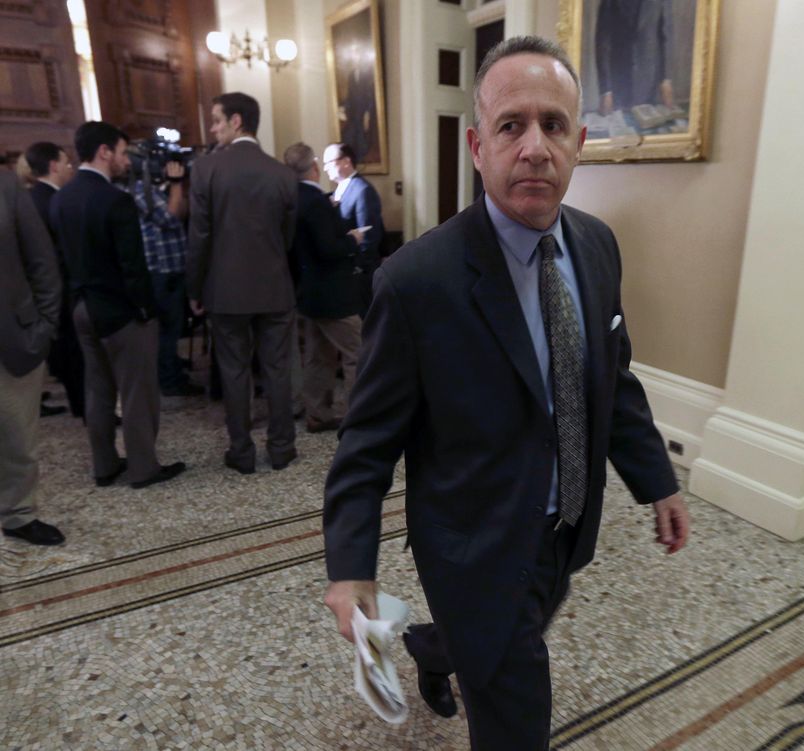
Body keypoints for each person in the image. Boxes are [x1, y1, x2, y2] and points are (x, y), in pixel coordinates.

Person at [322, 36, 689, 751]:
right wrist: (352, 568)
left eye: (553, 125)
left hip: (563, 529)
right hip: (475, 543)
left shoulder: (597, 245)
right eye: (511, 125)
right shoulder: (417, 282)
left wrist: (657, 481)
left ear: (579, 142)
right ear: (477, 144)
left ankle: (439, 647)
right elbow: (366, 443)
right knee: (515, 715)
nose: (534, 147)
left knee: (489, 639)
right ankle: (464, 645)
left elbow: (614, 376)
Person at [52, 121, 186, 489]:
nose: (126, 160)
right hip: (120, 311)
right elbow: (133, 265)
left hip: (81, 307)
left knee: (97, 389)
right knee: (137, 392)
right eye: (123, 152)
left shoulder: (60, 197)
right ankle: (144, 469)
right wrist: (146, 309)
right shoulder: (115, 199)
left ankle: (105, 466)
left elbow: (61, 260)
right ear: (104, 152)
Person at [187, 92, 299, 474]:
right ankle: (282, 448)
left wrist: (194, 288)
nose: (213, 128)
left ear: (237, 122)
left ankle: (242, 451)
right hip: (274, 287)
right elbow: (288, 237)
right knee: (278, 370)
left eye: (216, 120)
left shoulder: (205, 169)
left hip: (225, 290)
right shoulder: (283, 173)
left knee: (234, 372)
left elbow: (199, 236)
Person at [0, 170, 65, 546]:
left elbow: (42, 260)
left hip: (12, 334)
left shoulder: (7, 186)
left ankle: (18, 513)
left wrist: (44, 325)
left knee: (16, 435)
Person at [284, 142, 364, 434]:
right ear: (314, 167)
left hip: (308, 292)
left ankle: (318, 413)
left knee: (319, 355)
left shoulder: (291, 197)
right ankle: (360, 418)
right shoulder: (316, 201)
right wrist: (352, 239)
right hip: (332, 294)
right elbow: (329, 248)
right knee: (361, 350)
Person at [129, 160, 204, 397]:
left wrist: (177, 187)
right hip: (159, 270)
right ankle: (169, 380)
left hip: (172, 267)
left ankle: (171, 368)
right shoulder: (138, 190)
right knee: (165, 330)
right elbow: (170, 218)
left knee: (172, 327)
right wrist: (176, 183)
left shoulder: (156, 190)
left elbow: (181, 213)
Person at [24, 141, 85, 419]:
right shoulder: (49, 201)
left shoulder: (35, 197)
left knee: (67, 349)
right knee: (73, 350)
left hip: (49, 288)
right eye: (66, 162)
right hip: (59, 287)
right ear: (53, 165)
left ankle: (80, 401)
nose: (70, 167)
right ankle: (83, 405)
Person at [322, 142, 384, 314]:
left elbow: (369, 235)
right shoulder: (338, 190)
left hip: (359, 273)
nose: (325, 168)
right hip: (344, 272)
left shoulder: (362, 190)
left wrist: (358, 268)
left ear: (346, 161)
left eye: (329, 162)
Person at [595, 0, 677, 116]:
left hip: (650, 83)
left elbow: (666, 38)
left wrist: (666, 79)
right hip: (618, 82)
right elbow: (603, 43)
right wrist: (606, 91)